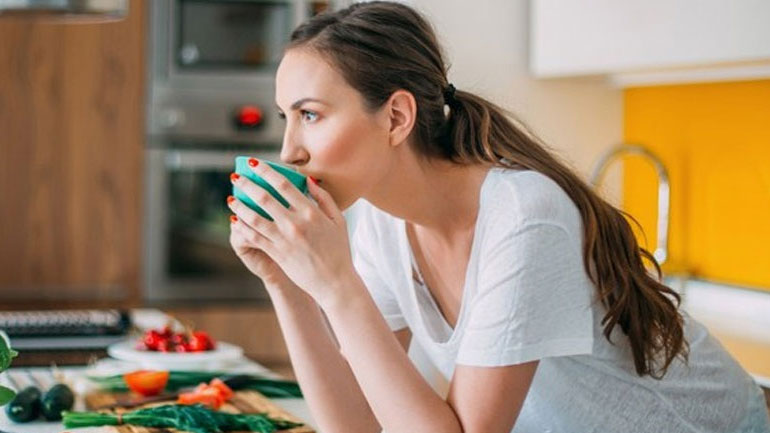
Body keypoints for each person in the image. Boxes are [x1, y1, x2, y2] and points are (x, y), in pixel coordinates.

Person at [226, 2, 770, 432]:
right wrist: (287, 284)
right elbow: (355, 426)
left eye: (310, 115)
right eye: (286, 117)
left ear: (396, 117)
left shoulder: (524, 217)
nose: (290, 150)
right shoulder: (383, 226)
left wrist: (338, 284)